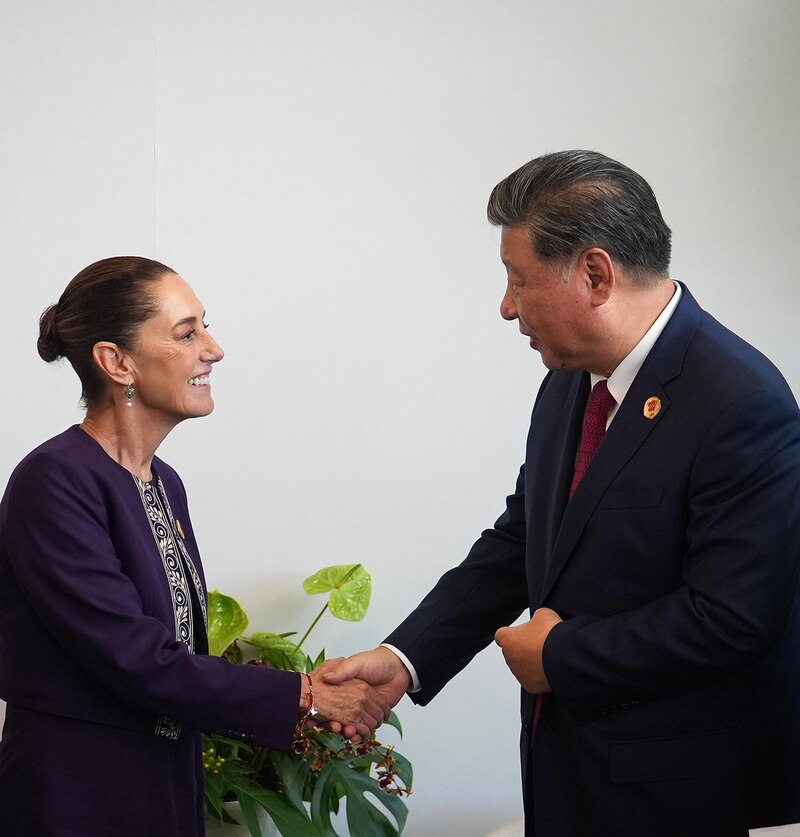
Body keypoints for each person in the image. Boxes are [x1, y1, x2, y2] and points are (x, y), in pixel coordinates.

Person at [322, 151, 800, 836]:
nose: (507, 306)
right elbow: (526, 538)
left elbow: (733, 616)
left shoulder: (739, 399)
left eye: (519, 280)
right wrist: (407, 656)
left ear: (596, 273)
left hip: (673, 794)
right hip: (568, 777)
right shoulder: (571, 382)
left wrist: (560, 655)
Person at [0, 256, 389, 836]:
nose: (214, 349)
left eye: (205, 326)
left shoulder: (165, 483)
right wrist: (302, 696)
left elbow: (180, 652)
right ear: (116, 362)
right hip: (80, 792)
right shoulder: (55, 480)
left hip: (165, 782)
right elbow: (133, 657)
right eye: (187, 333)